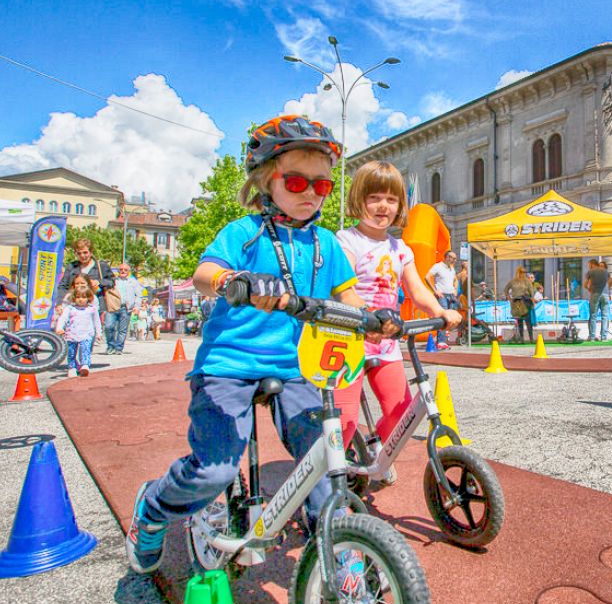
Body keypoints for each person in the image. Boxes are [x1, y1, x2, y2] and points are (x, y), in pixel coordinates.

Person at [125, 114, 400, 576]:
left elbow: (347, 296)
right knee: (214, 471)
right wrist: (239, 279)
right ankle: (153, 510)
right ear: (265, 181)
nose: (311, 193)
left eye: (323, 186)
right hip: (229, 363)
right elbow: (204, 274)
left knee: (325, 456)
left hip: (296, 368)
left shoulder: (327, 243)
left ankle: (334, 544)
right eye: (296, 181)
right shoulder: (243, 232)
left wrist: (373, 320)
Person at [333, 160, 462, 452]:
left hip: (385, 343)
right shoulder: (347, 240)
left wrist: (440, 311)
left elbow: (417, 290)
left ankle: (373, 447)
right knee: (343, 421)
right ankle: (331, 479)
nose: (383, 206)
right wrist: (366, 316)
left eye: (391, 200)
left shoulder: (399, 248)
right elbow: (345, 289)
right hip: (348, 342)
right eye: (374, 198)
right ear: (359, 200)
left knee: (401, 412)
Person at [56, 275, 102, 377]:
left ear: (88, 298)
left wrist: (99, 333)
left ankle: (85, 365)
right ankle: (72, 367)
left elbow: (97, 321)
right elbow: (63, 318)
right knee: (71, 352)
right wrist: (59, 328)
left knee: (85, 349)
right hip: (71, 334)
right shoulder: (70, 308)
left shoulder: (92, 309)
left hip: (87, 334)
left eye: (84, 297)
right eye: (78, 297)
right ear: (74, 298)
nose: (81, 299)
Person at [57, 239, 115, 315]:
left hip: (96, 308)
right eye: (79, 253)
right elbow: (63, 286)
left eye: (85, 252)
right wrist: (59, 303)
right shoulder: (71, 267)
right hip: (74, 307)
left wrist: (99, 282)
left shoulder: (101, 266)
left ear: (91, 252)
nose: (82, 256)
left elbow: (112, 281)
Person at [425, 250, 459, 350]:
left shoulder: (451, 269)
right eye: (453, 258)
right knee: (444, 317)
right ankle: (441, 341)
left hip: (451, 295)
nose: (455, 260)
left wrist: (455, 290)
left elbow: (455, 279)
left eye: (455, 259)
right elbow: (427, 277)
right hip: (442, 295)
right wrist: (435, 291)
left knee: (452, 317)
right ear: (447, 258)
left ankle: (443, 339)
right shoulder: (438, 266)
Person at [107, 262, 142, 354]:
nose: (123, 271)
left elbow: (139, 295)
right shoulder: (113, 280)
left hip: (126, 308)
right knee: (109, 326)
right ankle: (111, 346)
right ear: (118, 271)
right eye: (121, 269)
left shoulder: (133, 282)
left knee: (122, 330)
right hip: (113, 307)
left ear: (128, 271)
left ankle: (118, 348)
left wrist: (137, 307)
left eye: (125, 270)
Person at [584, 259, 612, 342]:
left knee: (593, 316)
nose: (588, 266)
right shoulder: (606, 272)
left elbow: (585, 284)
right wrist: (607, 288)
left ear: (592, 264)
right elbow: (611, 281)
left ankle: (592, 337)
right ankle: (604, 337)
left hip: (595, 294)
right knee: (605, 316)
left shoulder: (591, 272)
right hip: (606, 295)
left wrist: (589, 289)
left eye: (589, 265)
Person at [504, 266, 534, 342]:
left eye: (524, 272)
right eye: (522, 272)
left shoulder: (527, 281)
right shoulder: (513, 281)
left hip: (525, 302)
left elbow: (532, 292)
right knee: (520, 321)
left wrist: (532, 301)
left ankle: (531, 338)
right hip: (516, 303)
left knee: (528, 322)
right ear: (518, 272)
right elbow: (505, 289)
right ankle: (521, 338)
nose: (523, 274)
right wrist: (509, 299)